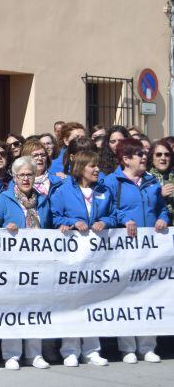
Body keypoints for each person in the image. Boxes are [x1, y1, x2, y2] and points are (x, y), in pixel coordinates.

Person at [103, 138, 169, 364]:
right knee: (126, 298)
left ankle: (148, 346)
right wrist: (124, 219)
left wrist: (162, 219)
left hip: (150, 252)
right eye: (139, 154)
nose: (144, 158)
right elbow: (109, 209)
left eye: (144, 154)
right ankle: (128, 347)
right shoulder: (112, 181)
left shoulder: (151, 182)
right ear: (125, 159)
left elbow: (161, 209)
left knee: (150, 297)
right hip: (125, 251)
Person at [49, 150, 113, 367]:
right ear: (80, 168)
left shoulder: (103, 190)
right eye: (92, 166)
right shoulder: (63, 190)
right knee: (72, 302)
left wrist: (105, 221)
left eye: (97, 165)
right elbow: (55, 216)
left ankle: (92, 350)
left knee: (92, 301)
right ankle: (70, 350)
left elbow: (114, 214)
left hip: (96, 258)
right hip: (71, 257)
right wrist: (73, 222)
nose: (97, 170)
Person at [0, 156, 52, 370]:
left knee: (36, 307)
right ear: (14, 178)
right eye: (22, 175)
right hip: (12, 264)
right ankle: (12, 354)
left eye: (30, 174)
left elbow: (51, 227)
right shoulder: (3, 199)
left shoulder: (43, 200)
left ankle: (34, 353)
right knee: (13, 307)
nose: (26, 178)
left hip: (38, 264)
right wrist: (3, 229)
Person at [147, 139, 174, 217]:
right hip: (155, 225)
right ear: (152, 158)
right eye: (159, 154)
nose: (163, 158)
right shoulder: (144, 178)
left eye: (167, 154)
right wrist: (159, 195)